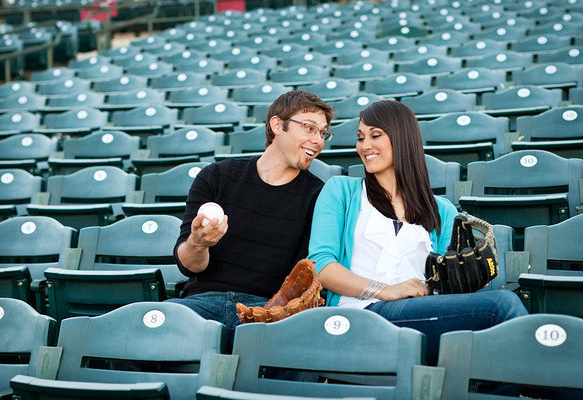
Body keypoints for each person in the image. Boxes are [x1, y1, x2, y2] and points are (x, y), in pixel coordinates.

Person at [308, 100, 528, 364]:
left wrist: (467, 276)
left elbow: (447, 286)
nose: (364, 146)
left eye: (375, 135)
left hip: (421, 315)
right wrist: (384, 290)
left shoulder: (441, 210)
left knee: (491, 337)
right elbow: (322, 266)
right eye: (360, 138)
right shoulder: (341, 191)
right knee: (502, 306)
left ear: (402, 138)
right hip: (359, 314)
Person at [168, 90, 334, 343]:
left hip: (268, 310)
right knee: (136, 333)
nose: (318, 141)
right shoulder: (216, 177)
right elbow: (189, 266)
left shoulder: (318, 195)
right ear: (277, 125)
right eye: (310, 129)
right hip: (202, 302)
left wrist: (275, 309)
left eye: (323, 133)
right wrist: (198, 243)